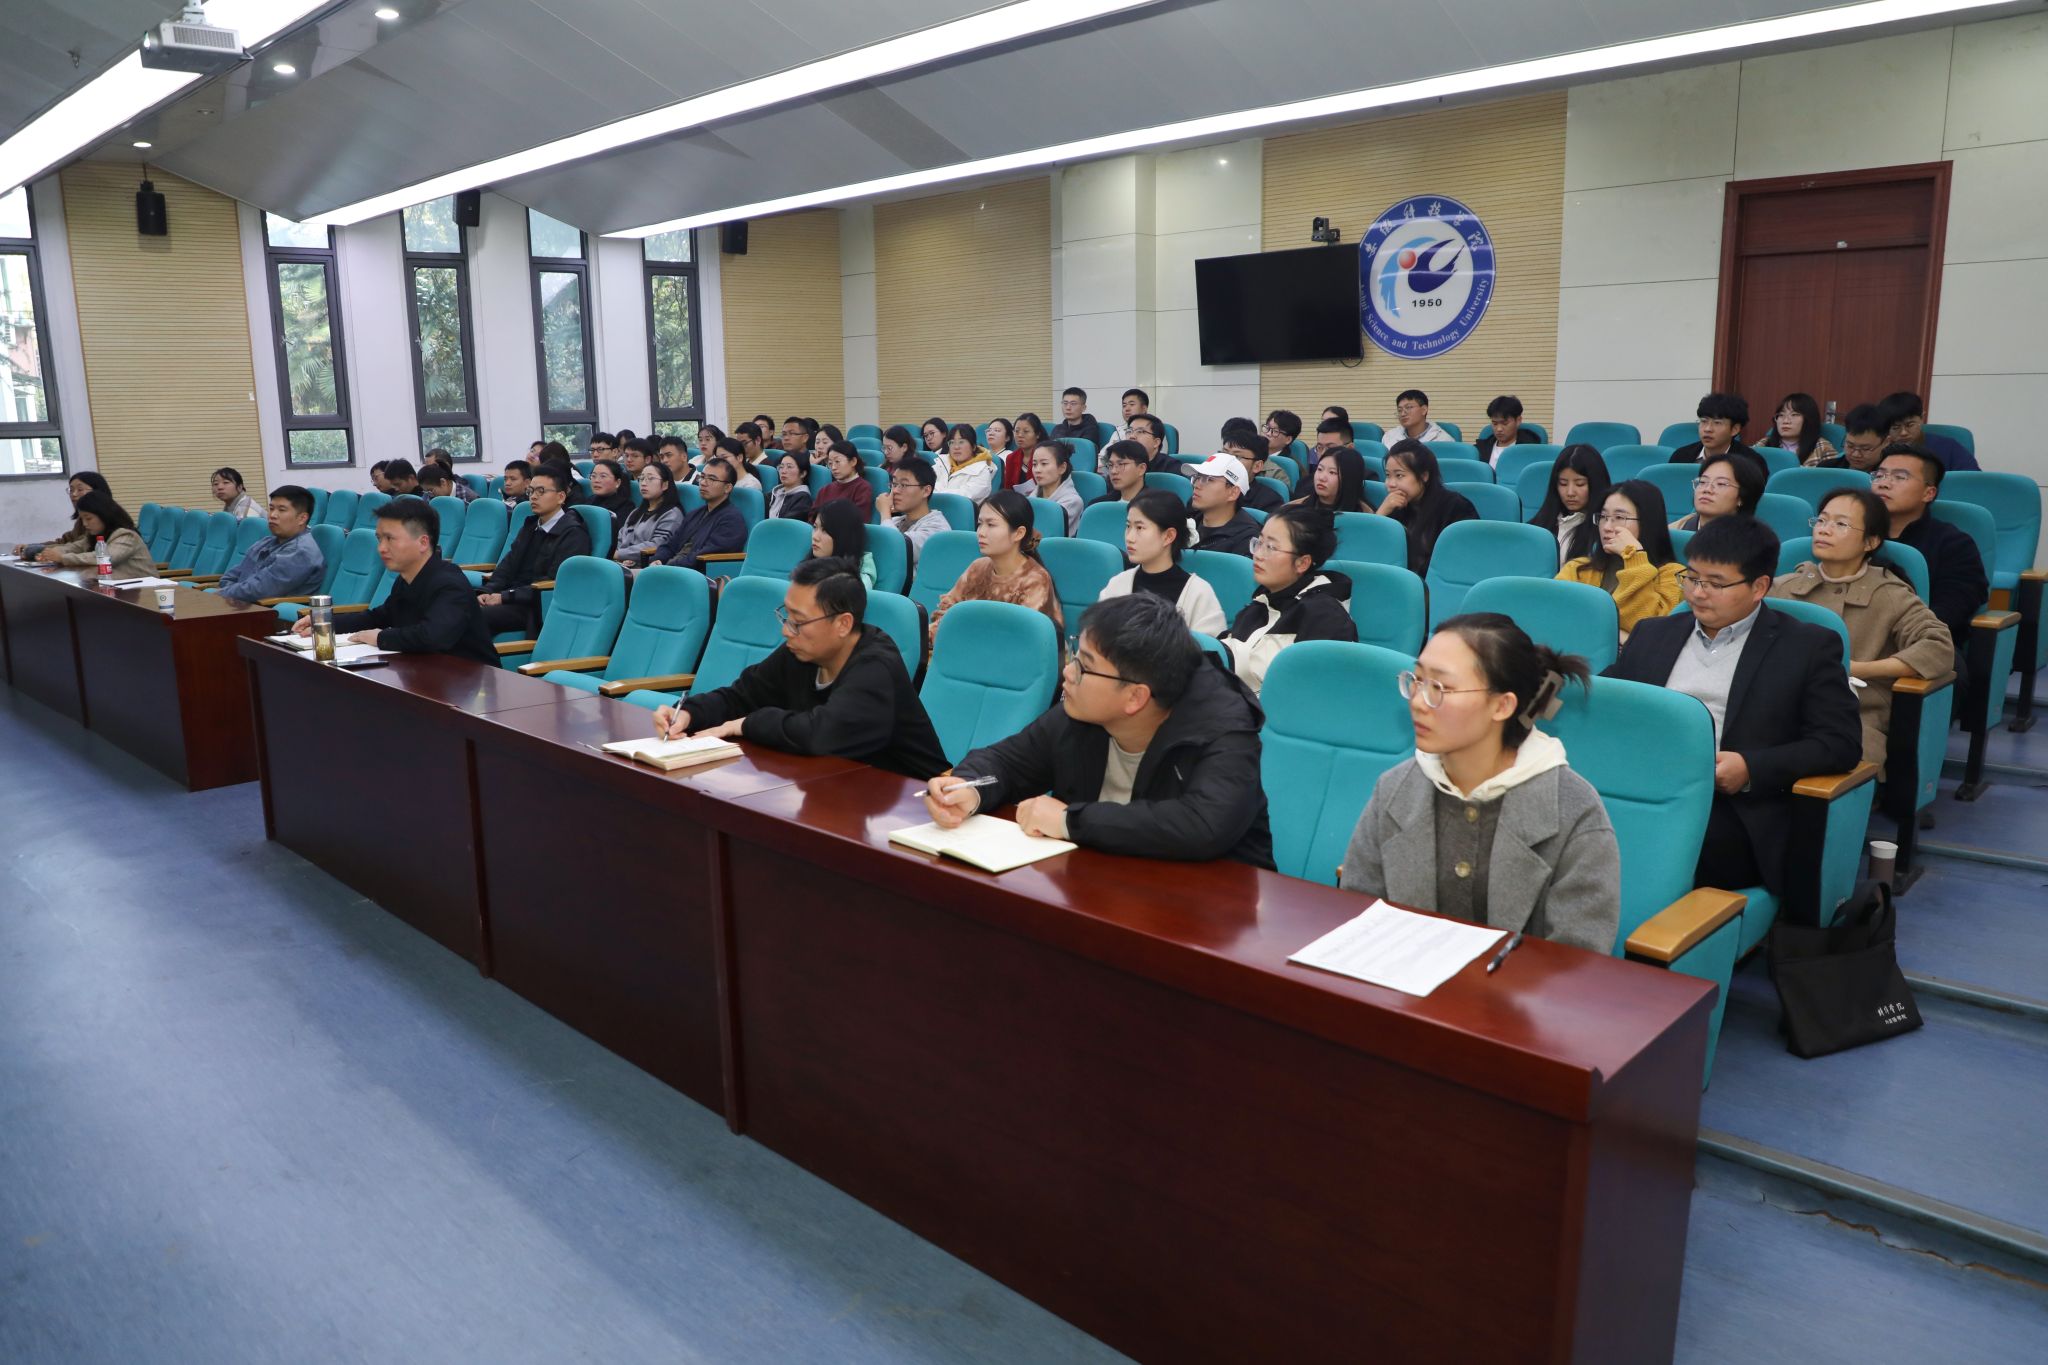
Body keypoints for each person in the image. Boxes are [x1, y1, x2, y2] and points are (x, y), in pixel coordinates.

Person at [1605, 516, 1862, 896]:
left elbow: (1840, 743)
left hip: (1729, 807)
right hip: (1641, 785)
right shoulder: (1653, 633)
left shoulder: (1806, 647)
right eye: (1691, 578)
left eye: (1716, 584)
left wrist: (1750, 768)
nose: (1697, 593)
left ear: (1759, 586)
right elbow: (1607, 702)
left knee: (1660, 847)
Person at [923, 593, 1274, 867]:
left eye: (1084, 666)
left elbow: (1201, 825)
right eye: (1075, 656)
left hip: (1209, 908)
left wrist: (1069, 821)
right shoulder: (1081, 713)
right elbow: (1008, 761)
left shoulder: (1224, 730)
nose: (1068, 672)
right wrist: (969, 789)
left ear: (1135, 697)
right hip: (1103, 882)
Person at [1339, 616, 1618, 954]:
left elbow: (1576, 958)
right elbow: (1359, 916)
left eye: (1440, 688)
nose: (1417, 701)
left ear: (1502, 705)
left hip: (1520, 987)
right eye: (1417, 679)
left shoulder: (1575, 811)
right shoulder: (1396, 789)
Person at [647, 557, 945, 775]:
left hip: (910, 803)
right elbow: (740, 696)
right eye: (786, 615)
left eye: (798, 621)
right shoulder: (802, 650)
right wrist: (688, 713)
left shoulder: (876, 667)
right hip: (833, 785)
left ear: (843, 624)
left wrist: (744, 725)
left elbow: (821, 734)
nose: (786, 630)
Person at [1771, 488, 1953, 767]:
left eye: (1841, 524)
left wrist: (1859, 668)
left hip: (1856, 717)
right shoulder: (1782, 588)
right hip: (1778, 708)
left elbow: (1938, 646)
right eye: (1821, 520)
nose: (1824, 530)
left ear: (1871, 541)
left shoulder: (1888, 592)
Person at [294, 497, 496, 665]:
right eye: (379, 539)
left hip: (470, 683)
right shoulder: (406, 579)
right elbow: (378, 617)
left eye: (390, 539)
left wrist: (379, 638)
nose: (381, 548)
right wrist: (325, 622)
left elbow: (432, 637)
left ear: (423, 542)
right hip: (426, 673)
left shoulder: (449, 583)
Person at [1222, 504, 1357, 693]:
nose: (1258, 555)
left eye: (1271, 547)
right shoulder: (1264, 601)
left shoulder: (1326, 619)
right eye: (1259, 542)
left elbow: (1307, 695)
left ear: (1302, 563)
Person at [1873, 443, 1986, 661]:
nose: (1884, 484)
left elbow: (1953, 607)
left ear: (1928, 493)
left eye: (1899, 477)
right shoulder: (1856, 534)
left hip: (1923, 646)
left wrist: (1889, 635)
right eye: (1879, 475)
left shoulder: (1954, 544)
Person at [929, 489, 1062, 641]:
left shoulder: (1035, 580)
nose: (981, 532)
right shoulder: (977, 567)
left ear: (1018, 533)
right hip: (966, 645)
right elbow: (946, 615)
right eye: (980, 524)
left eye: (991, 525)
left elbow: (1020, 638)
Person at [1558, 481, 1683, 641]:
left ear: (1647, 523)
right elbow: (1557, 617)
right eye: (1603, 517)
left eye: (1619, 517)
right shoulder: (1577, 569)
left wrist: (1634, 557)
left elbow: (1649, 631)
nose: (1607, 527)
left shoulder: (1675, 575)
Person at [477, 466, 590, 636]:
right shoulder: (530, 525)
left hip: (535, 607)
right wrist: (487, 592)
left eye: (541, 491)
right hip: (512, 597)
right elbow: (507, 565)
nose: (534, 497)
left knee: (474, 616)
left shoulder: (573, 534)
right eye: (531, 491)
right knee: (459, 603)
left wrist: (504, 597)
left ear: (561, 497)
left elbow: (554, 584)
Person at [1098, 487, 1226, 634]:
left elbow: (1207, 646)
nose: (1129, 537)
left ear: (1168, 536)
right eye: (1128, 526)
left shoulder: (1198, 594)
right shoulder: (1117, 585)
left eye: (1139, 528)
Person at [1376, 439, 1479, 576]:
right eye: (1388, 475)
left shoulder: (1456, 507)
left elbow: (1460, 560)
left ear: (1424, 476)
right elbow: (1374, 552)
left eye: (1399, 475)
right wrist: (1381, 514)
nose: (1391, 483)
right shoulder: (1393, 506)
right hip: (1397, 579)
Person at [215, 486, 325, 603]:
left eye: (281, 510)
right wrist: (228, 591)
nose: (272, 515)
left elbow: (258, 591)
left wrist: (220, 595)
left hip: (269, 610)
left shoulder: (300, 552)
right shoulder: (265, 542)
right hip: (241, 604)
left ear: (302, 518)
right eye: (271, 509)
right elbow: (230, 576)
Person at [40, 490, 155, 580]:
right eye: (82, 519)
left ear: (104, 515)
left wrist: (62, 558)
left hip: (145, 591)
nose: (84, 524)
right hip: (118, 588)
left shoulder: (126, 536)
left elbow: (104, 558)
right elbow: (74, 547)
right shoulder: (96, 535)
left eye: (88, 518)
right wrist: (53, 553)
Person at [1528, 445, 1610, 568]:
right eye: (1563, 484)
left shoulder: (1607, 530)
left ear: (1596, 484)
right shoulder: (1538, 527)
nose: (1570, 492)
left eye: (1580, 484)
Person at [663, 457, 749, 573]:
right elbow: (671, 544)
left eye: (712, 479)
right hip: (671, 569)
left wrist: (667, 567)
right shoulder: (694, 514)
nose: (703, 483)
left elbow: (704, 557)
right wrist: (658, 560)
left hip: (694, 575)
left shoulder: (731, 520)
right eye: (702, 477)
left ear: (727, 488)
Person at [15, 470, 110, 558]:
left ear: (98, 491)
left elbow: (78, 546)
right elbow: (65, 541)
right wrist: (33, 546)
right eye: (71, 490)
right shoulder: (81, 520)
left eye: (80, 489)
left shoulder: (105, 517)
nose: (74, 494)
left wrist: (38, 550)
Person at [1880, 391, 1978, 472]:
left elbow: (1973, 480)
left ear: (1922, 418)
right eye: (1895, 427)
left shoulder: (1950, 447)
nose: (1903, 433)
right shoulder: (1880, 451)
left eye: (1910, 425)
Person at [1186, 454, 1260, 557]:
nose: (1196, 485)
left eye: (1209, 479)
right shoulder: (1187, 520)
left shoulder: (1246, 539)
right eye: (1197, 478)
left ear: (1233, 493)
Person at [1672, 449, 1763, 531]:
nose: (1707, 489)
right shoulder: (1675, 531)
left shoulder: (1753, 540)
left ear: (1742, 497)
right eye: (1703, 482)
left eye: (1721, 484)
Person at [616, 463, 684, 571]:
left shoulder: (672, 514)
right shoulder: (636, 512)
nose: (643, 483)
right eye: (641, 478)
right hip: (621, 564)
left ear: (665, 485)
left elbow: (658, 545)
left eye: (650, 479)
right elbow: (621, 536)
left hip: (647, 568)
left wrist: (621, 554)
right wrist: (620, 557)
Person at [1667, 392, 1762, 468]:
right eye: (1704, 421)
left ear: (1735, 429)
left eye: (1717, 423)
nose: (1708, 429)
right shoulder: (1680, 457)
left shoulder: (1751, 462)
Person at [886, 457, 947, 567]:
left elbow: (896, 551)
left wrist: (885, 514)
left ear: (926, 491)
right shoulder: (895, 521)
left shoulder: (937, 529)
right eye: (894, 484)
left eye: (904, 485)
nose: (895, 491)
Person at [1020, 440, 1084, 535]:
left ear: (1062, 468)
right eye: (1034, 464)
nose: (1037, 470)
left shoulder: (1072, 502)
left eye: (1044, 464)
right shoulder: (1033, 496)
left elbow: (1045, 534)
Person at [1757, 392, 1838, 466]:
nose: (1786, 421)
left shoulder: (1823, 448)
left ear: (1809, 419)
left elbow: (1833, 476)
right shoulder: (1764, 444)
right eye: (1781, 415)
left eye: (1794, 415)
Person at [811, 501, 876, 589]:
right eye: (815, 527)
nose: (815, 537)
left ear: (844, 536)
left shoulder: (858, 580)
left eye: (825, 530)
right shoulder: (810, 564)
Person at [1292, 445, 1371, 514]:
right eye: (1319, 469)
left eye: (1332, 472)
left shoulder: (1365, 516)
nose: (1321, 478)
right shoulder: (1294, 509)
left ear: (1349, 478)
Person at [1222, 430, 1285, 514]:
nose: (1227, 461)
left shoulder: (1269, 502)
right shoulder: (1207, 486)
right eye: (1224, 454)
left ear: (1257, 466)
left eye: (1237, 456)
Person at [1815, 404, 1890, 473]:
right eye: (1850, 446)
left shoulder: (1890, 475)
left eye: (1865, 449)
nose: (1856, 454)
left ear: (1886, 442)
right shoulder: (1827, 469)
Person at [933, 423, 998, 502]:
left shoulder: (983, 471)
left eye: (961, 442)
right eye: (952, 442)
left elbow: (962, 497)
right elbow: (926, 486)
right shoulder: (941, 462)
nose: (956, 447)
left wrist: (935, 492)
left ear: (973, 447)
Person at [815, 440, 875, 519]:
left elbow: (859, 519)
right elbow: (812, 517)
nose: (833, 467)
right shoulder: (824, 490)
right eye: (830, 463)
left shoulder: (862, 488)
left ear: (853, 461)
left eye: (837, 461)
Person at [1474, 396, 1541, 464]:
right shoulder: (1480, 449)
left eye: (1505, 423)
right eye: (1495, 423)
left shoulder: (1530, 449)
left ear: (1518, 421)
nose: (1499, 429)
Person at [1088, 439, 1150, 508]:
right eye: (1111, 465)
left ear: (1141, 469)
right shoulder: (1098, 506)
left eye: (1121, 464)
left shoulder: (1155, 506)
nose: (1113, 471)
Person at [586, 457, 634, 534]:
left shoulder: (626, 507)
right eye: (593, 476)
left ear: (617, 483)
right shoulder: (589, 501)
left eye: (603, 476)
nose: (596, 480)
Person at [768, 449, 815, 522]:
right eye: (781, 467)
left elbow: (785, 525)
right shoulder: (774, 493)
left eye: (789, 467)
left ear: (803, 473)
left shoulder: (803, 499)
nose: (783, 471)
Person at [1008, 413, 1049, 488]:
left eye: (1026, 431)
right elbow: (1008, 488)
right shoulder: (1011, 458)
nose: (1020, 435)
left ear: (1037, 434)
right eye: (1017, 431)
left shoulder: (1047, 456)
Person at [984, 417, 1017, 485]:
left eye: (997, 430)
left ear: (1007, 437)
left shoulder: (1010, 456)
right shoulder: (981, 454)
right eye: (989, 430)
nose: (991, 433)